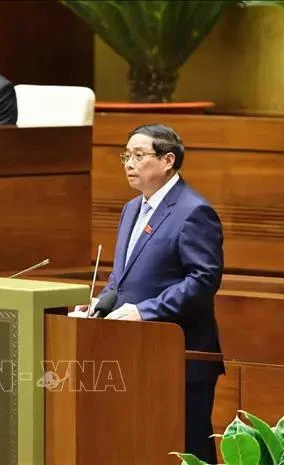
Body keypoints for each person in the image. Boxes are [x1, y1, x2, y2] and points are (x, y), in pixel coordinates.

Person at [92, 124, 225, 463]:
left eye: (139, 155)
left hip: (179, 357)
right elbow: (121, 277)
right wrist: (102, 303)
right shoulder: (131, 208)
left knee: (189, 447)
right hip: (135, 354)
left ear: (168, 160)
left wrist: (144, 311)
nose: (129, 164)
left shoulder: (193, 211)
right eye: (126, 155)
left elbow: (203, 279)